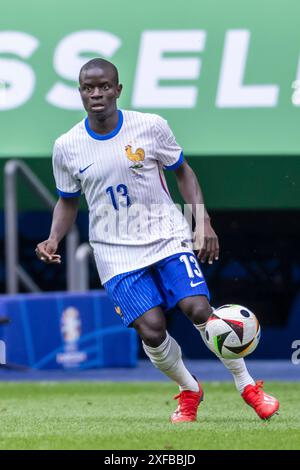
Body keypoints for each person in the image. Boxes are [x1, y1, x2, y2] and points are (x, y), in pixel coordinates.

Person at [36, 58, 279, 423]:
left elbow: (183, 171)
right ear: (81, 93)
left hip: (166, 234)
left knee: (198, 308)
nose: (97, 93)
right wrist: (54, 238)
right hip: (114, 251)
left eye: (104, 86)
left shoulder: (150, 126)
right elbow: (67, 201)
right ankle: (188, 388)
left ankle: (247, 386)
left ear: (118, 89)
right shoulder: (67, 146)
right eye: (89, 87)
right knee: (151, 330)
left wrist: (203, 223)